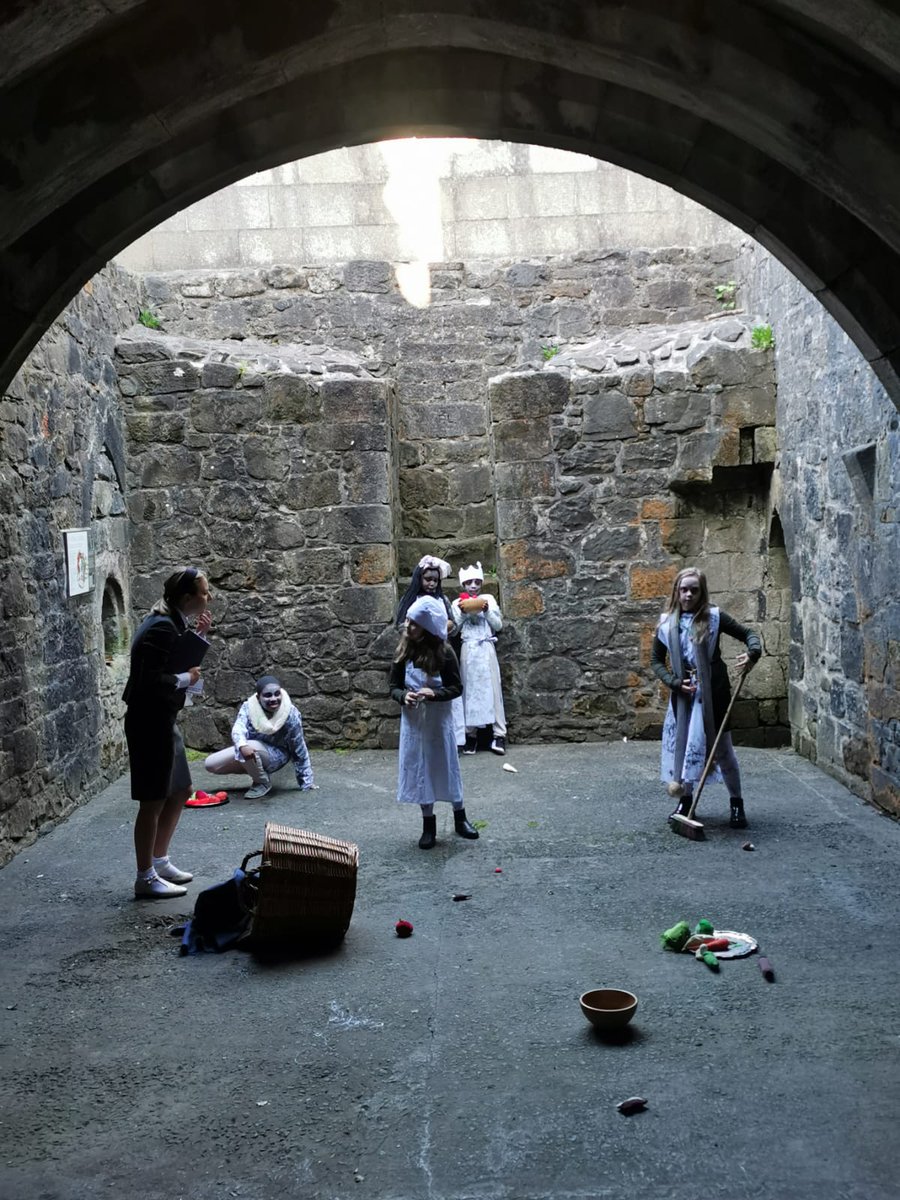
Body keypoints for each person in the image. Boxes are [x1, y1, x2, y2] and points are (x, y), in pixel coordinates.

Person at [123, 566, 212, 898]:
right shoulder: (160, 627)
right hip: (149, 722)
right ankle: (144, 876)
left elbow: (177, 658)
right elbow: (150, 681)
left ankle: (159, 860)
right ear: (187, 597)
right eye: (204, 592)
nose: (209, 597)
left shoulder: (172, 622)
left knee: (179, 790)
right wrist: (188, 679)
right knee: (153, 799)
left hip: (162, 719)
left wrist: (200, 638)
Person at [650, 567, 762, 828]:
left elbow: (749, 635)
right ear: (676, 591)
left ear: (702, 592)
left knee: (723, 750)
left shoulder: (714, 617)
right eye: (684, 589)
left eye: (694, 590)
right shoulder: (667, 623)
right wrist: (674, 683)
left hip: (713, 693)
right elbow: (656, 660)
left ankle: (736, 803)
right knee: (685, 744)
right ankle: (686, 801)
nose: (688, 594)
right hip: (683, 695)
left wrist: (752, 653)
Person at [389, 595, 479, 849]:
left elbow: (456, 688)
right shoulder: (404, 650)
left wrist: (434, 694)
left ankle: (460, 817)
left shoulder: (444, 652)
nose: (409, 626)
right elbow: (393, 686)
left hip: (439, 722)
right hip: (415, 723)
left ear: (427, 626)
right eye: (408, 621)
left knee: (447, 767)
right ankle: (428, 824)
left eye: (414, 623)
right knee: (421, 771)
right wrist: (404, 696)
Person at [204, 675, 316, 798]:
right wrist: (242, 746)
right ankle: (255, 770)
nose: (273, 699)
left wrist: (306, 781)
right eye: (268, 695)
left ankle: (262, 783)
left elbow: (299, 747)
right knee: (211, 764)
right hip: (249, 751)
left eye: (277, 694)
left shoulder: (290, 713)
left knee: (249, 745)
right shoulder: (248, 707)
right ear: (258, 697)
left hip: (277, 755)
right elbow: (238, 729)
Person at [450, 562, 507, 755]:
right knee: (469, 690)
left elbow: (498, 626)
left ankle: (499, 735)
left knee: (493, 688)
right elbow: (454, 631)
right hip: (468, 649)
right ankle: (470, 735)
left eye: (476, 581)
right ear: (463, 584)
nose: (473, 586)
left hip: (486, 647)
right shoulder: (457, 603)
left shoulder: (488, 599)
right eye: (468, 582)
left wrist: (486, 611)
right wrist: (463, 614)